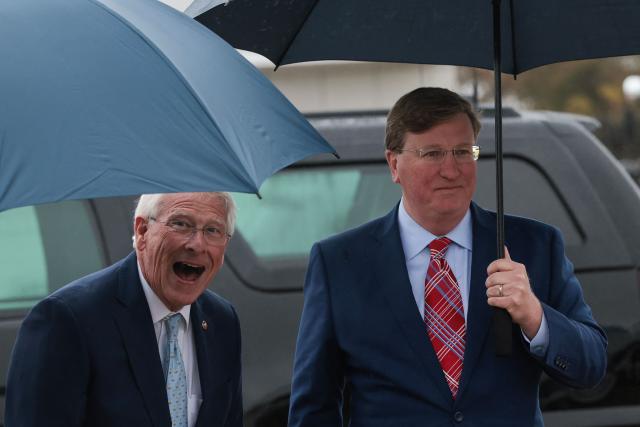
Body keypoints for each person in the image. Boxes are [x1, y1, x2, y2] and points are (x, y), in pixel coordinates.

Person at [288, 88, 607, 426]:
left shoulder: (535, 246)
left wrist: (535, 316)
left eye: (462, 151)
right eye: (433, 153)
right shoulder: (340, 262)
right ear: (394, 164)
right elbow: (314, 406)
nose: (452, 170)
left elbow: (591, 366)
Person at [5, 192, 242, 427]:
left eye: (213, 230)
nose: (197, 244)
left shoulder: (222, 320)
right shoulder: (66, 319)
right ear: (142, 231)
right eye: (180, 224)